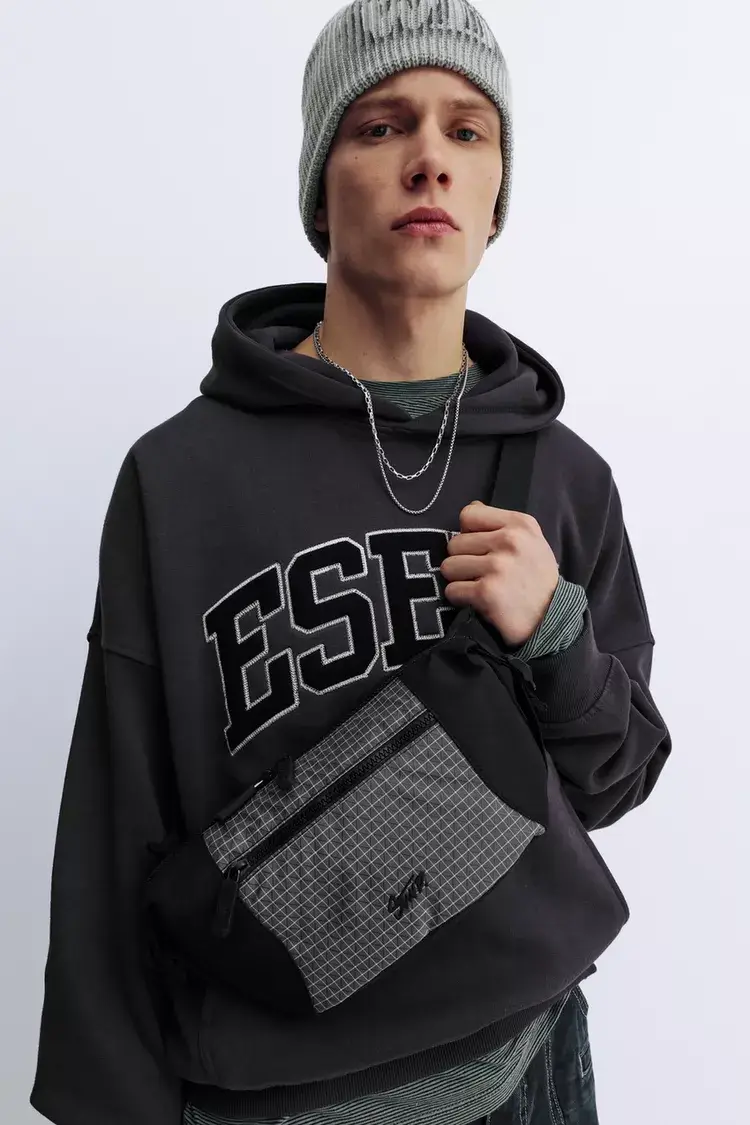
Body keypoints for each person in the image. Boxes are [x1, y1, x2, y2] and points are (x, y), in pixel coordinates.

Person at [30, 2, 671, 1124]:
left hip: (525, 1071)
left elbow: (617, 779)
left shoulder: (566, 476)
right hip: (277, 1100)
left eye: (467, 131)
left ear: (496, 197)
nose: (430, 159)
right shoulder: (180, 478)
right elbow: (114, 827)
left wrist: (558, 638)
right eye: (381, 126)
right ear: (320, 191)